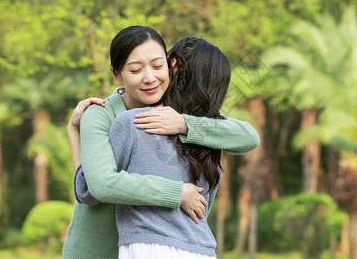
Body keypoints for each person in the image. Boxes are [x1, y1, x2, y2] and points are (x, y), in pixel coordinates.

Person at [62, 26, 260, 259]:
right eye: (135, 70)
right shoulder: (102, 114)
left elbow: (248, 137)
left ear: (170, 66)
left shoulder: (175, 112)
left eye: (158, 66)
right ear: (117, 75)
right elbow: (97, 187)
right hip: (97, 251)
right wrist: (176, 194)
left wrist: (184, 124)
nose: (149, 78)